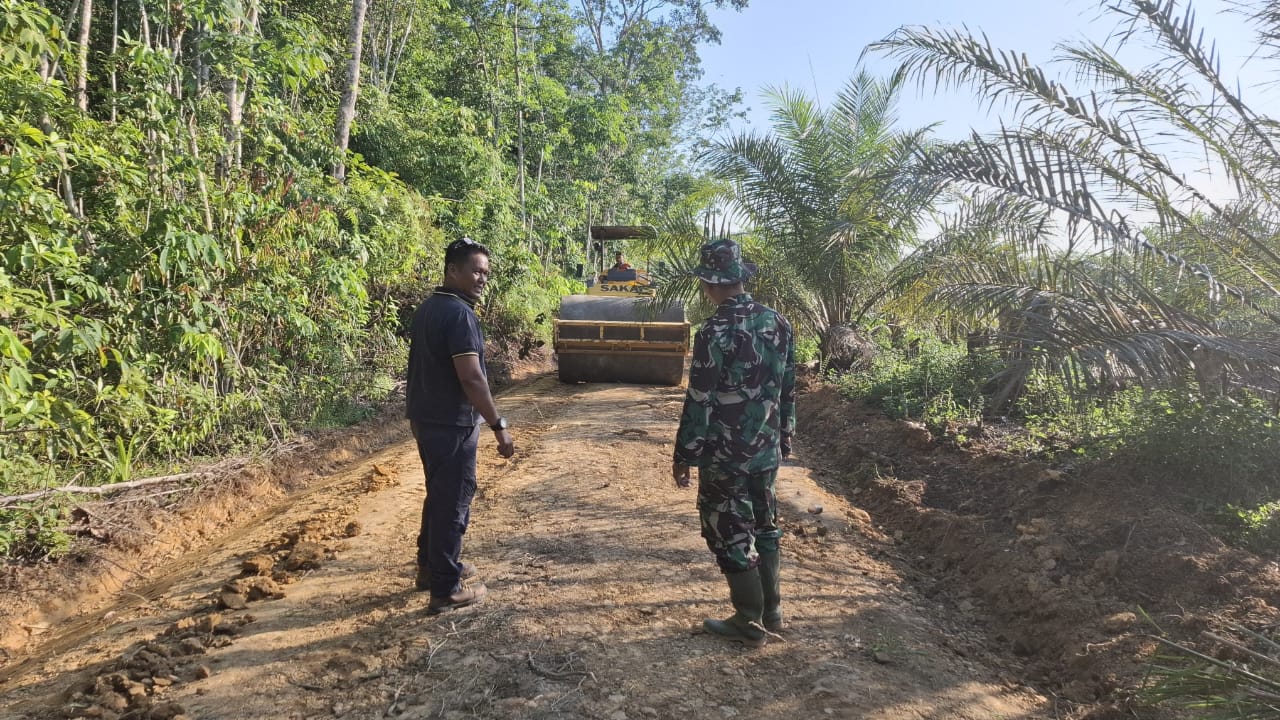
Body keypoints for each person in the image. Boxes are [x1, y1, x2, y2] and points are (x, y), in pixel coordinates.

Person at [672, 238, 796, 647]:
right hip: (765, 448)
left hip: (724, 453)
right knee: (766, 523)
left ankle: (747, 618)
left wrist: (685, 454)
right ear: (739, 277)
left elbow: (701, 397)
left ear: (708, 285)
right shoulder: (779, 322)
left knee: (727, 527)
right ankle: (772, 611)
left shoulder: (715, 330)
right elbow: (787, 388)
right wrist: (785, 437)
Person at [406, 237, 516, 613]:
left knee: (438, 495)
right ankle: (446, 588)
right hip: (451, 424)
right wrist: (498, 423)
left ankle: (431, 567)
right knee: (453, 501)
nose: (482, 279)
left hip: (425, 418)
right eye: (475, 271)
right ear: (453, 270)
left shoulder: (429, 308)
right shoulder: (459, 315)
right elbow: (471, 378)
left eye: (486, 273)